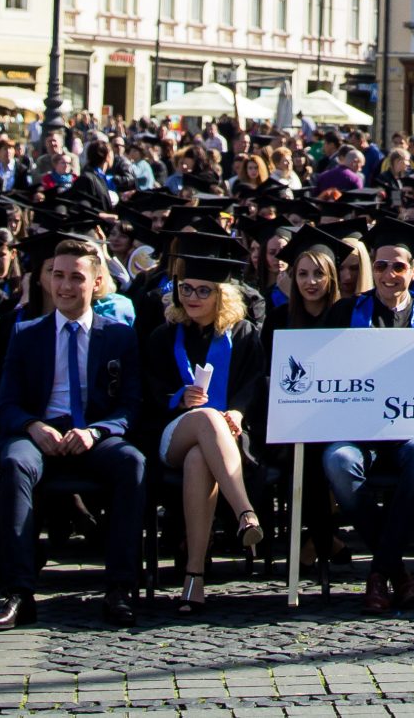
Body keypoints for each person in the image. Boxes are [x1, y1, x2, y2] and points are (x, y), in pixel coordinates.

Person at [0, 236, 149, 631]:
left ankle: (120, 588)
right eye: (58, 276)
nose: (64, 286)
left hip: (93, 433)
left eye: (76, 277)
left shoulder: (119, 335)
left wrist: (96, 432)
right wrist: (33, 425)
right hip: (39, 431)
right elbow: (6, 404)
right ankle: (19, 593)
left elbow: (131, 405)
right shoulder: (26, 334)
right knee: (14, 464)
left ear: (96, 282)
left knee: (132, 462)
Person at [321, 219, 414, 613]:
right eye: (381, 266)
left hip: (412, 432)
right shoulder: (345, 313)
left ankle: (379, 574)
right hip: (357, 433)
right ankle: (396, 571)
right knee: (338, 460)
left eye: (398, 267)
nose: (388, 274)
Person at [140, 239, 267, 614]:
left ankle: (193, 578)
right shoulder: (163, 336)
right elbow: (149, 390)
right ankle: (245, 511)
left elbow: (254, 385)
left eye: (203, 290)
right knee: (207, 418)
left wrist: (239, 413)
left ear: (221, 294)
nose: (192, 297)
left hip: (228, 439)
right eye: (186, 288)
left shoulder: (243, 334)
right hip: (172, 434)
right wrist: (179, 398)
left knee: (200, 458)